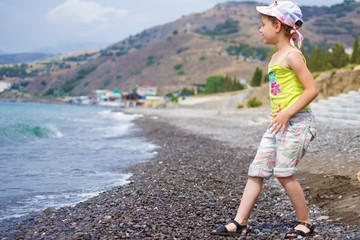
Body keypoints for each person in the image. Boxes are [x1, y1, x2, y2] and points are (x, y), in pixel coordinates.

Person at [211, 1, 319, 238]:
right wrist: (281, 115)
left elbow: (312, 89)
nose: (260, 30)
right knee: (257, 170)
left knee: (283, 172)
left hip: (297, 122)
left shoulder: (292, 55)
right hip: (277, 123)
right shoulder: (275, 57)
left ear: (278, 26)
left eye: (263, 25)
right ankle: (240, 222)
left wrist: (287, 112)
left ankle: (306, 222)